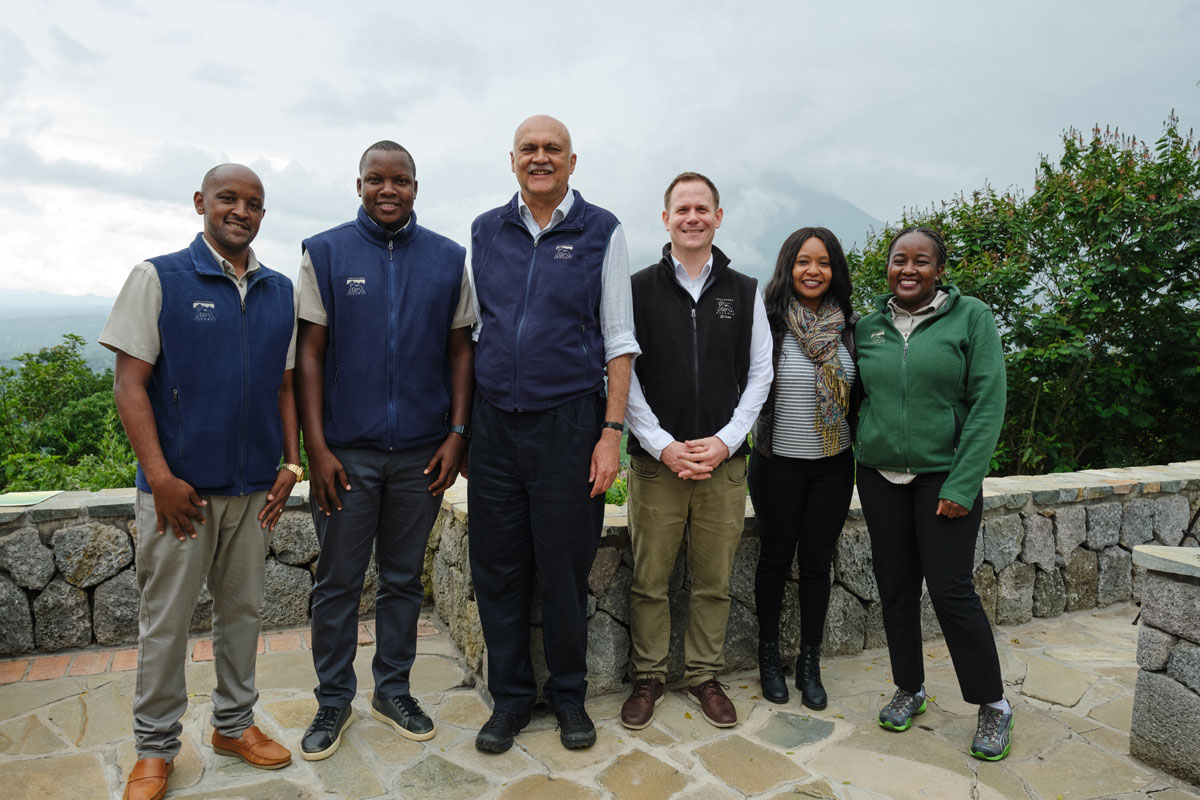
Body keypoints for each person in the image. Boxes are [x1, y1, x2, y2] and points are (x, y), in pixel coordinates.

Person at [102, 164, 299, 800]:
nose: (241, 210)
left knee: (242, 614)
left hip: (251, 490)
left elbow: (286, 385)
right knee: (166, 622)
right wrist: (159, 478)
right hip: (178, 496)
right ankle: (155, 748)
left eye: (253, 203)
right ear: (200, 204)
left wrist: (290, 462)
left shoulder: (277, 291)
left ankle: (233, 725)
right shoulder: (158, 277)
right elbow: (130, 383)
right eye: (228, 199)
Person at [294, 141, 475, 760]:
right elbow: (309, 355)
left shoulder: (449, 259)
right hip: (345, 453)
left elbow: (460, 352)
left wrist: (458, 432)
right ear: (359, 184)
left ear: (416, 187)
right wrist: (315, 447)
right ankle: (332, 700)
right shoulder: (324, 252)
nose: (388, 190)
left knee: (403, 580)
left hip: (422, 452)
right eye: (376, 179)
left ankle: (392, 689)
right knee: (338, 582)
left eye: (400, 180)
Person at [468, 115, 638, 753]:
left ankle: (569, 697)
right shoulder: (487, 229)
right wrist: (463, 428)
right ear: (512, 160)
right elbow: (475, 329)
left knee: (565, 572)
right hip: (494, 428)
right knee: (497, 570)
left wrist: (610, 433)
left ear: (572, 161)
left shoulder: (602, 230)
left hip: (571, 424)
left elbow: (619, 339)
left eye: (552, 150)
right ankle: (510, 700)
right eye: (529, 150)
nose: (540, 158)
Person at [854, 226, 1012, 760]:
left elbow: (988, 403)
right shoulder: (869, 327)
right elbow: (856, 397)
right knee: (896, 588)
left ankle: (993, 704)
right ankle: (910, 688)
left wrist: (963, 483)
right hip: (879, 478)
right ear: (889, 267)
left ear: (940, 270)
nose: (909, 270)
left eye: (922, 261)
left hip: (943, 478)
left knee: (950, 591)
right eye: (900, 260)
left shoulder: (973, 318)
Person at [620, 172, 771, 730]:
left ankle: (704, 675)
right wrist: (662, 445)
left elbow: (761, 373)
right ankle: (649, 676)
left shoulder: (744, 289)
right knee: (649, 580)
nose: (692, 216)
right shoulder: (636, 289)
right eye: (681, 208)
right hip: (656, 466)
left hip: (724, 468)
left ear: (718, 216)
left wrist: (726, 439)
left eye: (701, 208)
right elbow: (624, 372)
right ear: (665, 219)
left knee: (713, 581)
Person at [749, 227, 858, 709]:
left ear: (835, 270)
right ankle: (769, 658)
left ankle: (809, 662)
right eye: (802, 261)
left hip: (833, 466)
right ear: (787, 267)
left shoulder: (851, 326)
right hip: (776, 465)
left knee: (816, 565)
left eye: (823, 262)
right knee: (774, 561)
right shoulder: (768, 323)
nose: (813, 270)